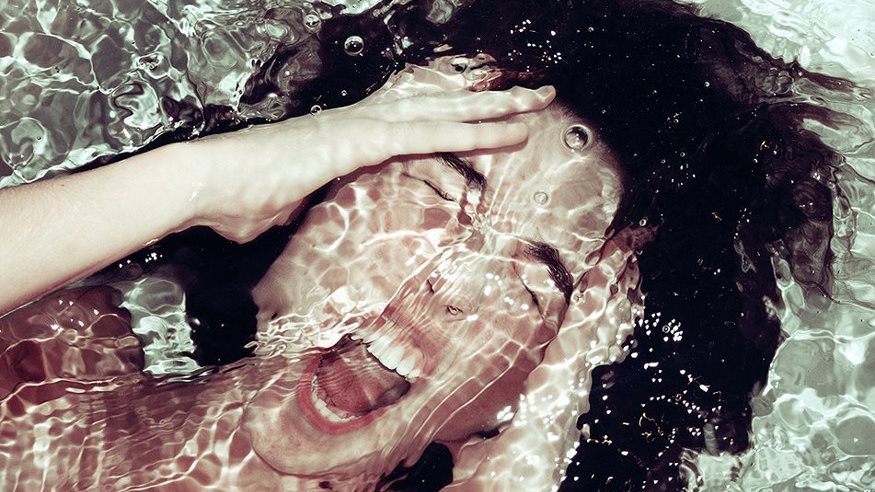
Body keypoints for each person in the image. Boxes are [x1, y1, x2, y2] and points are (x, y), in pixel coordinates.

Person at [0, 58, 637, 490]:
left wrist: (541, 445)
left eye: (530, 288)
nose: (454, 286)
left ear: (509, 406)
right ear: (306, 203)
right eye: (439, 196)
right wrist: (198, 180)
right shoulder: (44, 357)